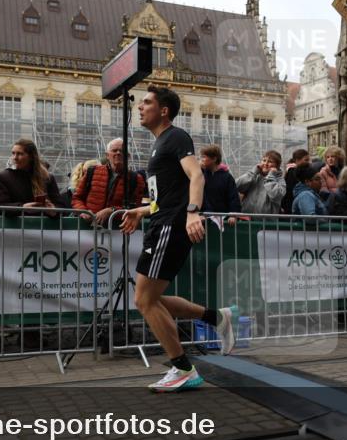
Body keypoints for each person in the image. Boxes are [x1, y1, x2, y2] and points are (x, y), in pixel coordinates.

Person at [119, 86, 236, 392]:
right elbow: (165, 197)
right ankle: (217, 318)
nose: (140, 107)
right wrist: (142, 211)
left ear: (164, 110)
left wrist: (193, 212)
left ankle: (184, 369)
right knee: (151, 299)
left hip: (171, 226)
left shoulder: (176, 136)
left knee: (144, 300)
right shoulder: (160, 144)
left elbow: (196, 176)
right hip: (161, 222)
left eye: (147, 102)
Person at [72, 139, 145, 224]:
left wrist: (112, 211)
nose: (118, 153)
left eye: (122, 151)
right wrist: (83, 211)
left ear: (128, 156)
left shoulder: (136, 178)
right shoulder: (92, 171)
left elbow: (136, 208)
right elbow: (77, 198)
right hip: (87, 229)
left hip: (117, 231)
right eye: (114, 150)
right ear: (107, 155)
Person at [0, 139, 67, 211]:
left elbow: (60, 206)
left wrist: (53, 211)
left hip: (41, 222)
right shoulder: (4, 177)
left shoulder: (47, 178)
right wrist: (21, 207)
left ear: (31, 157)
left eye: (20, 154)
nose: (15, 158)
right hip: (17, 222)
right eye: (13, 153)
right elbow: (0, 205)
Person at [237, 150, 286, 215]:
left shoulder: (280, 180)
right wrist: (253, 173)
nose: (265, 164)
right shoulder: (254, 175)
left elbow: (276, 196)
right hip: (247, 219)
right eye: (264, 160)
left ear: (277, 166)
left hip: (266, 222)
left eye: (270, 162)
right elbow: (237, 185)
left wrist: (271, 177)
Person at [199, 144, 242, 215]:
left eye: (204, 157)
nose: (201, 160)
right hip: (203, 216)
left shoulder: (227, 177)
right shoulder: (200, 173)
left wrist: (234, 214)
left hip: (222, 217)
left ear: (214, 159)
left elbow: (233, 197)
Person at [281, 149, 311, 214]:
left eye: (308, 160)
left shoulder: (293, 171)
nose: (308, 162)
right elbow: (290, 190)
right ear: (297, 160)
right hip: (291, 206)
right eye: (306, 160)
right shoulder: (292, 172)